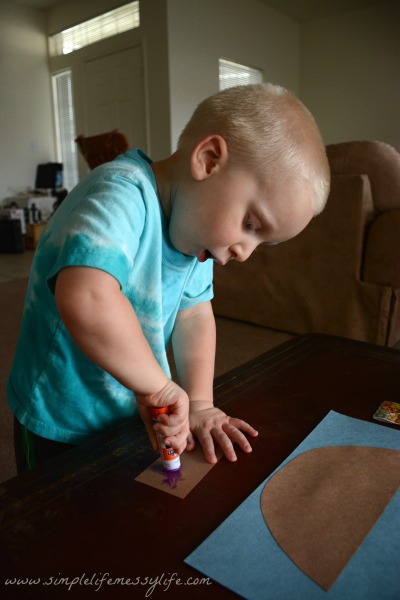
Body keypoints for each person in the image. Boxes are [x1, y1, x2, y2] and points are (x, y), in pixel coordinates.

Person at [7, 83, 330, 472]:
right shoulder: (118, 194)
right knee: (53, 505)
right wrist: (159, 386)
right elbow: (87, 297)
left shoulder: (196, 232)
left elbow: (194, 314)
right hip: (59, 414)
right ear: (208, 160)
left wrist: (200, 404)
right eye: (250, 223)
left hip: (128, 405)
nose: (244, 252)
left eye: (262, 242)